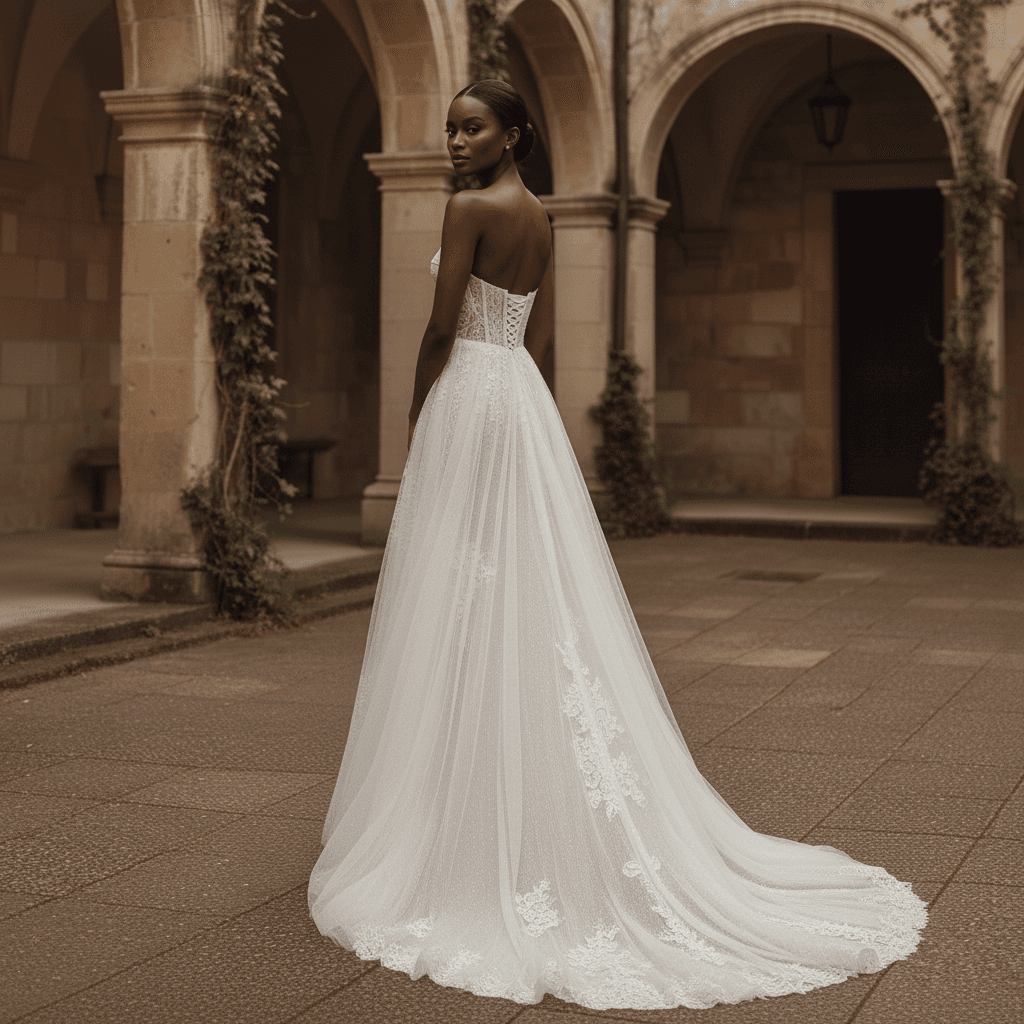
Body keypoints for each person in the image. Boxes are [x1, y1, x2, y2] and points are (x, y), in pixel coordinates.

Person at [308, 80, 926, 1011]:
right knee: (520, 581)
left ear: (513, 133)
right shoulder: (543, 217)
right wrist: (512, 391)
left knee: (457, 583)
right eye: (449, 127)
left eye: (471, 126)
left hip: (470, 393)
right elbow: (538, 332)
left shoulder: (469, 206)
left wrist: (415, 407)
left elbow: (442, 324)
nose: (453, 140)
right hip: (516, 393)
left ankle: (456, 812)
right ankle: (480, 790)